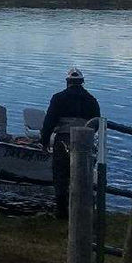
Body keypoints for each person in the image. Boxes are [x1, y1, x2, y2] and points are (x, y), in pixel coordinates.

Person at [40, 67, 101, 220]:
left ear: (67, 82)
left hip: (63, 139)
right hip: (84, 141)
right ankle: (81, 210)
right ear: (82, 82)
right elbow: (97, 123)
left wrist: (45, 141)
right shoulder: (92, 100)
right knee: (82, 174)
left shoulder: (58, 98)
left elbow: (49, 122)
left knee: (61, 174)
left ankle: (61, 211)